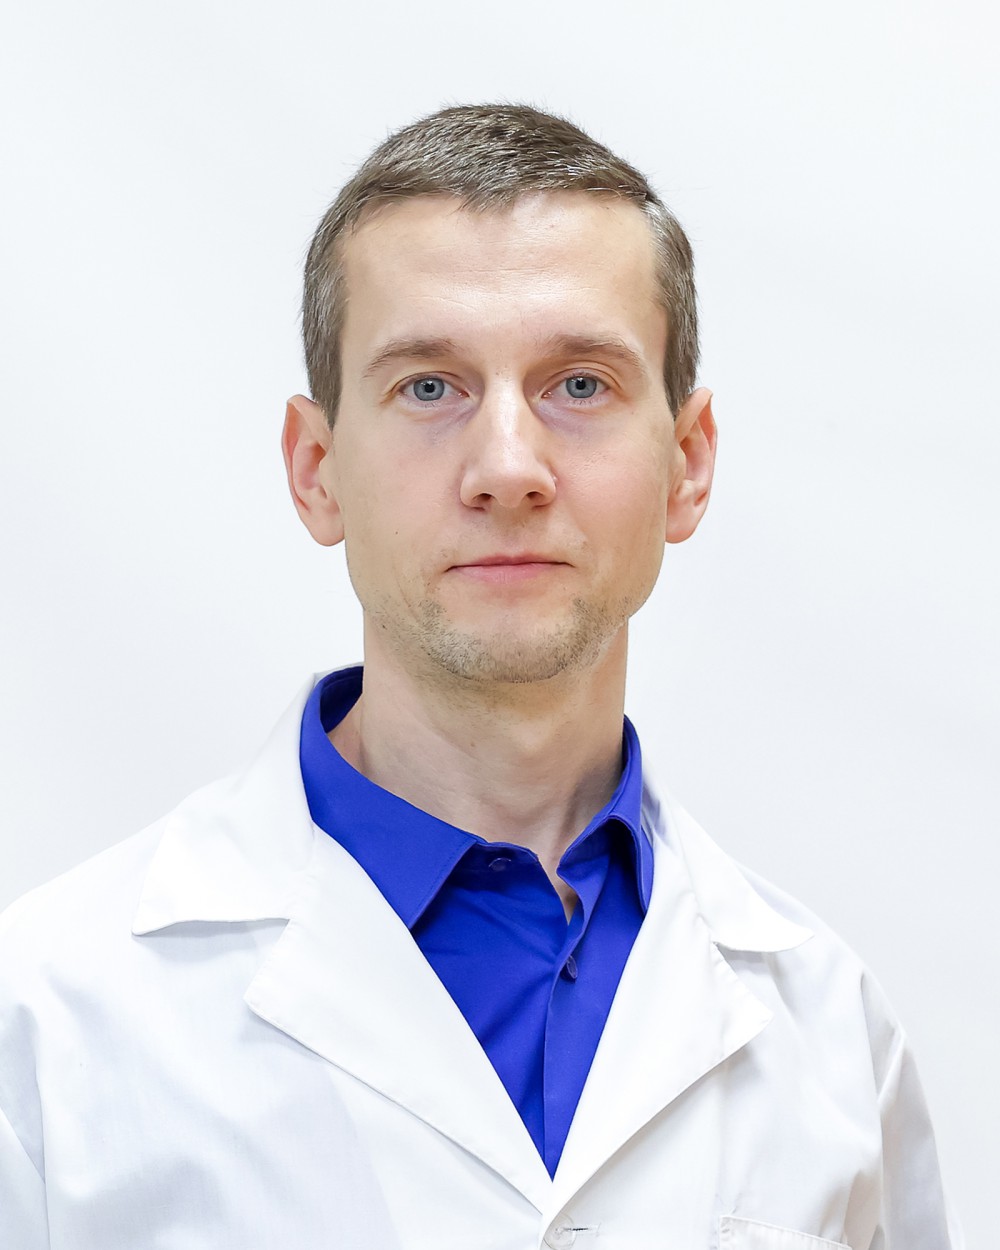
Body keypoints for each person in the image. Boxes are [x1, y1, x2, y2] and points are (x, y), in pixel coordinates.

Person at [0, 104, 962, 1250]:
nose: (508, 467)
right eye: (428, 386)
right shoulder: (48, 1019)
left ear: (688, 463)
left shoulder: (833, 1038)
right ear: (316, 470)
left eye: (580, 385)